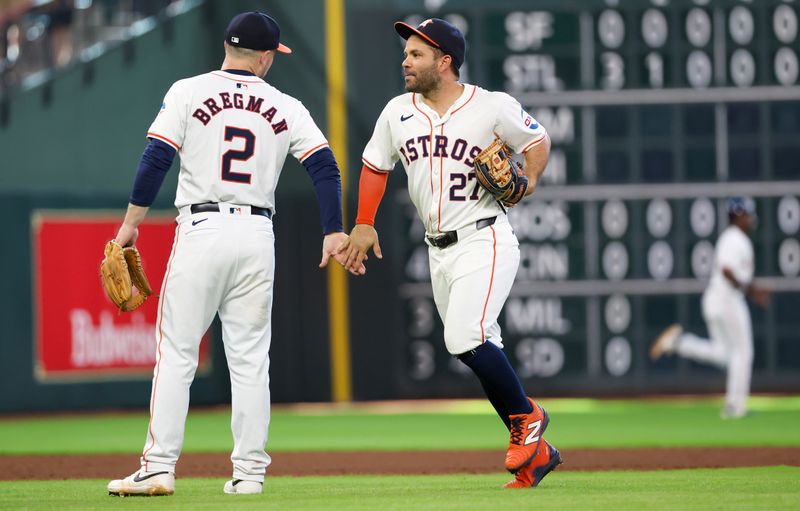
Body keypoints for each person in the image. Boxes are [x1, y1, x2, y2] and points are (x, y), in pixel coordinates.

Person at [107, 11, 362, 496]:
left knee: (178, 353)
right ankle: (249, 475)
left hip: (203, 227)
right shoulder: (286, 103)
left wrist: (130, 226)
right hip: (257, 235)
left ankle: (159, 467)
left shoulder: (187, 90)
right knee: (249, 360)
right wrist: (333, 230)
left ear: (228, 46)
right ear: (266, 57)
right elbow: (326, 167)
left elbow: (156, 158)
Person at [336, 18, 559, 489]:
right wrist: (363, 222)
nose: (406, 61)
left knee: (465, 337)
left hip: (485, 237)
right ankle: (536, 454)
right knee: (478, 345)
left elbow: (537, 140)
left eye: (416, 54)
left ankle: (528, 416)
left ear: (445, 62)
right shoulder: (397, 112)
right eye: (406, 53)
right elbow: (376, 166)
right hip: (438, 250)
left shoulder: (492, 106)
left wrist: (531, 178)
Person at [650, 197, 770, 419]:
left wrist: (750, 290)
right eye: (748, 215)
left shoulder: (733, 238)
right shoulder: (734, 238)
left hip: (717, 300)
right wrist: (753, 291)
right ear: (739, 215)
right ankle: (735, 406)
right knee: (743, 352)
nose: (751, 219)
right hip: (727, 300)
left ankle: (679, 343)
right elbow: (726, 270)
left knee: (724, 354)